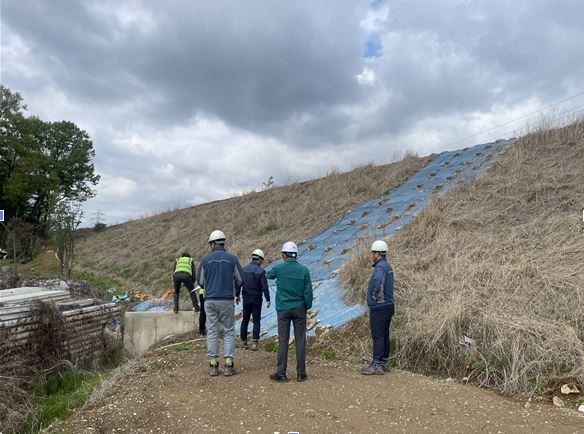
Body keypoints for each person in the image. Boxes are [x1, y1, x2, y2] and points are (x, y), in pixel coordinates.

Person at [197, 230, 244, 377]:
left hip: (210, 300)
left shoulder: (205, 260)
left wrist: (210, 286)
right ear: (223, 243)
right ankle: (229, 364)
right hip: (226, 300)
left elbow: (200, 282)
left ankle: (213, 365)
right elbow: (241, 279)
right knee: (228, 331)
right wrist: (236, 291)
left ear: (212, 244)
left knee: (212, 331)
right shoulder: (232, 259)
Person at [267, 241, 313, 382]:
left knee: (283, 340)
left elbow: (269, 275)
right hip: (299, 308)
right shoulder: (304, 270)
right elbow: (308, 291)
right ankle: (301, 373)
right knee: (300, 340)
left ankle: (281, 373)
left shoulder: (279, 268)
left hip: (283, 308)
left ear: (285, 254)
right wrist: (307, 305)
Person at [362, 239, 395, 375]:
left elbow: (377, 281)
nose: (371, 255)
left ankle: (377, 364)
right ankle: (384, 362)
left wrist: (375, 296)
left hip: (379, 307)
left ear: (376, 254)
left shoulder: (380, 268)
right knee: (384, 334)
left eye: (372, 252)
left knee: (378, 336)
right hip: (388, 305)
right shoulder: (387, 266)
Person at [240, 248, 271, 351]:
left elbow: (239, 283)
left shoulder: (244, 270)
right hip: (256, 299)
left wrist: (236, 295)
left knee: (245, 319)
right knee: (256, 321)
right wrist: (268, 299)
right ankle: (254, 343)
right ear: (260, 259)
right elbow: (264, 287)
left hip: (246, 298)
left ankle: (244, 342)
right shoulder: (261, 271)